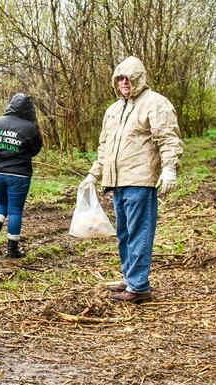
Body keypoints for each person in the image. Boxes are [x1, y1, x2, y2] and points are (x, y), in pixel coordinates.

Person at [80, 56, 184, 303]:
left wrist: (169, 167)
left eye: (129, 78)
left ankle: (139, 287)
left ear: (140, 78)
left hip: (141, 179)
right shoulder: (114, 109)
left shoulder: (156, 103)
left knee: (139, 232)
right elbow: (104, 147)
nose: (125, 83)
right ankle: (130, 278)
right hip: (116, 181)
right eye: (120, 78)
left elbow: (168, 138)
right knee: (124, 232)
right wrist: (94, 173)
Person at [0, 93, 43, 258]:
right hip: (19, 175)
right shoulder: (30, 128)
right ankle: (12, 250)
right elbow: (35, 150)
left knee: (2, 203)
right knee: (15, 210)